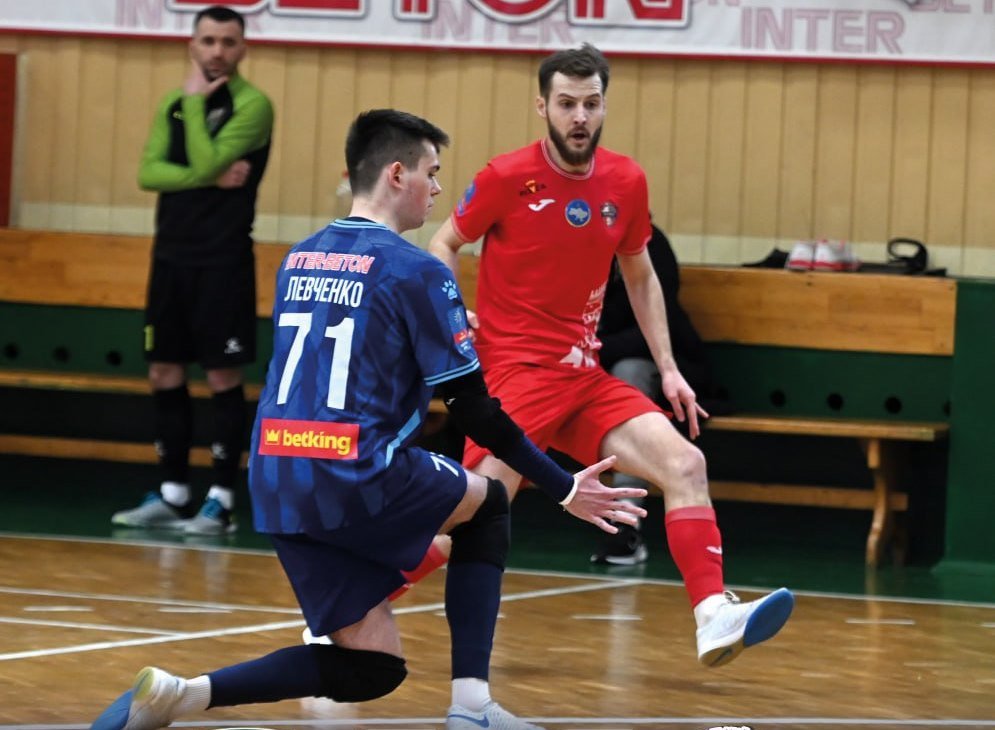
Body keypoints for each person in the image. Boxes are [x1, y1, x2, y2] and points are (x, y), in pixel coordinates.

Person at [89, 109, 648, 730]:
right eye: (432, 172)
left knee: (372, 668)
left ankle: (181, 694)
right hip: (354, 466)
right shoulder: (418, 270)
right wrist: (564, 486)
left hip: (274, 472)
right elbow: (475, 411)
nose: (438, 188)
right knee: (488, 506)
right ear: (397, 174)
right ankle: (472, 708)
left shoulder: (299, 256)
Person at [427, 43, 793, 668]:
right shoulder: (506, 177)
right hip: (515, 376)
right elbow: (443, 241)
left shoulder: (625, 181)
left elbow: (641, 275)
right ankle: (346, 610)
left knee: (686, 464)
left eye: (591, 104)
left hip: (583, 377)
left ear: (603, 107)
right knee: (470, 518)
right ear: (542, 106)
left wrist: (669, 369)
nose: (579, 117)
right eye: (566, 103)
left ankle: (712, 615)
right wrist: (452, 312)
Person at [111, 6, 274, 536]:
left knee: (223, 375)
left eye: (227, 41)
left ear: (242, 48)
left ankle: (221, 501)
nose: (217, 51)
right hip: (170, 258)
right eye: (208, 40)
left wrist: (197, 108)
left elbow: (199, 163)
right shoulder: (173, 103)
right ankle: (173, 493)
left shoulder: (253, 106)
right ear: (192, 45)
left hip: (223, 260)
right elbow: (147, 172)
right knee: (164, 370)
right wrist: (207, 173)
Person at [591, 222, 718, 566]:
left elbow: (651, 330)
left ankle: (624, 522)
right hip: (582, 369)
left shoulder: (648, 243)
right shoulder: (570, 236)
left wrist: (591, 348)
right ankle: (483, 511)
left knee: (628, 373)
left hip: (661, 371)